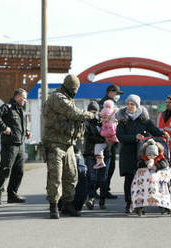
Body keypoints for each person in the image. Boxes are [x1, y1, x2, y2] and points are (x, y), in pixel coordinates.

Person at [42, 74, 98, 219]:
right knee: (55, 177)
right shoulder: (57, 98)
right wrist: (91, 116)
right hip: (55, 144)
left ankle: (67, 205)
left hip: (68, 144)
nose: (76, 91)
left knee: (72, 176)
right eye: (75, 88)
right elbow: (73, 113)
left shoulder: (67, 98)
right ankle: (53, 207)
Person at [116, 94, 166, 214]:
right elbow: (120, 136)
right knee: (129, 179)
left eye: (132, 104)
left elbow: (154, 130)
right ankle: (129, 203)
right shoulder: (122, 120)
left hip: (142, 155)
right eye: (128, 104)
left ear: (137, 106)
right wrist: (134, 137)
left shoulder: (144, 120)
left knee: (141, 179)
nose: (129, 106)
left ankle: (141, 204)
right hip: (127, 154)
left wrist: (163, 133)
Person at [0, 88, 31, 205]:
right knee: (5, 170)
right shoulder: (8, 107)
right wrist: (4, 127)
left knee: (19, 171)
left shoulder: (20, 109)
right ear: (17, 97)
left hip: (20, 144)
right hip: (9, 145)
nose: (25, 100)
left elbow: (21, 124)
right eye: (23, 98)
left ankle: (12, 195)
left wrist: (27, 131)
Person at [131, 139, 171, 216]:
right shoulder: (144, 159)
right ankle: (139, 205)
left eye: (154, 155)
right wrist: (144, 163)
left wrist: (157, 166)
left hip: (158, 178)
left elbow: (165, 164)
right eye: (149, 155)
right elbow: (138, 164)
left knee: (163, 185)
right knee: (139, 184)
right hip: (145, 180)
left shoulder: (161, 158)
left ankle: (165, 204)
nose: (151, 157)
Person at [83, 101, 110, 210]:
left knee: (103, 179)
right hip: (90, 153)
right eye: (91, 111)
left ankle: (102, 200)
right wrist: (103, 139)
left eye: (95, 111)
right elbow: (88, 137)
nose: (93, 114)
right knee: (92, 177)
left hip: (104, 153)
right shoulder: (85, 123)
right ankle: (91, 198)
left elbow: (112, 132)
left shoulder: (103, 121)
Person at [99, 85, 124, 199]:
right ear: (110, 92)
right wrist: (106, 138)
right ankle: (98, 191)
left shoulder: (112, 104)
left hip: (113, 139)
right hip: (106, 140)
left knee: (111, 166)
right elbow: (101, 124)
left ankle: (105, 189)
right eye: (117, 93)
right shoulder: (103, 105)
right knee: (106, 167)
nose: (118, 96)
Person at [94, 99, 119, 169]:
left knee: (98, 148)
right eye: (103, 117)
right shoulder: (104, 123)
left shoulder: (111, 124)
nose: (104, 118)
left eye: (106, 117)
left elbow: (111, 133)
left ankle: (100, 162)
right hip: (107, 140)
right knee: (98, 148)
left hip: (110, 139)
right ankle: (100, 161)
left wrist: (103, 135)